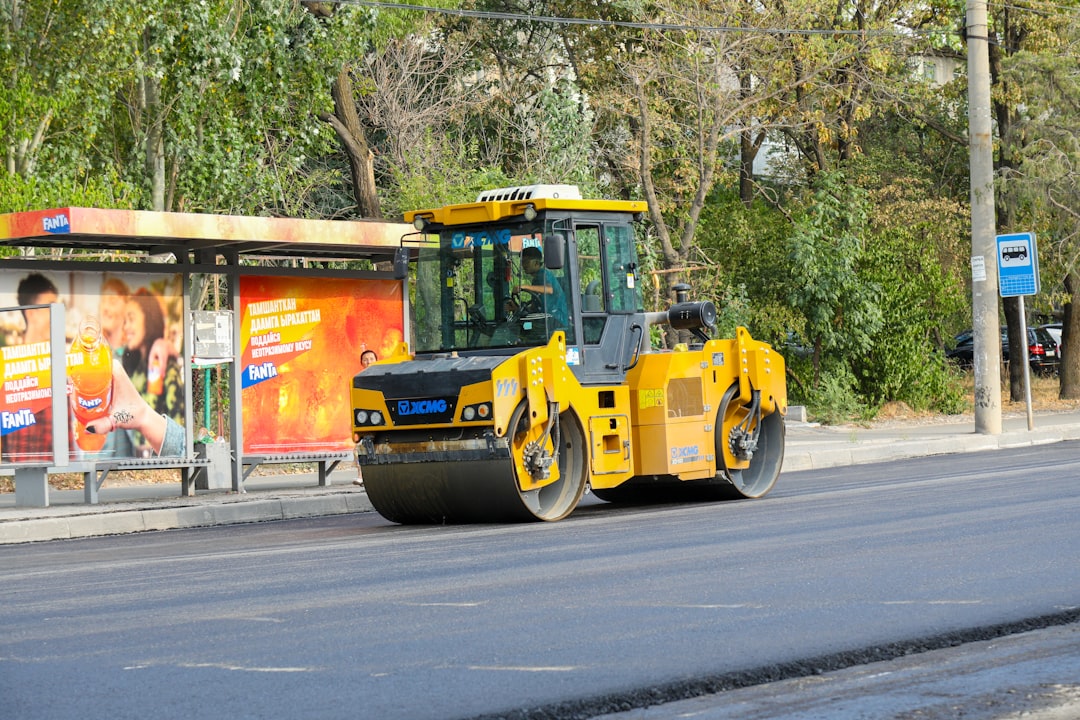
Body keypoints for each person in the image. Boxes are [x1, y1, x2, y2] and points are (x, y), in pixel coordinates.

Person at [116, 288, 185, 456]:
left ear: (149, 319)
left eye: (131, 319)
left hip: (161, 459)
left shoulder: (166, 366)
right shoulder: (134, 367)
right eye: (124, 321)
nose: (126, 327)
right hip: (133, 460)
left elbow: (178, 432)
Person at [1, 274, 61, 462]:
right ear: (32, 313)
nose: (56, 315)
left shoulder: (59, 367)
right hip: (14, 476)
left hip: (56, 478)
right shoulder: (8, 368)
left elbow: (68, 443)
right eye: (50, 307)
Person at [514, 246, 568, 327]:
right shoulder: (535, 280)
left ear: (536, 263)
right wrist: (517, 308)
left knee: (525, 326)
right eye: (522, 262)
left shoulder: (544, 273)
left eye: (526, 262)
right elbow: (534, 306)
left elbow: (549, 289)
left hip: (555, 318)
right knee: (522, 325)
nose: (523, 265)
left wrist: (524, 287)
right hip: (544, 318)